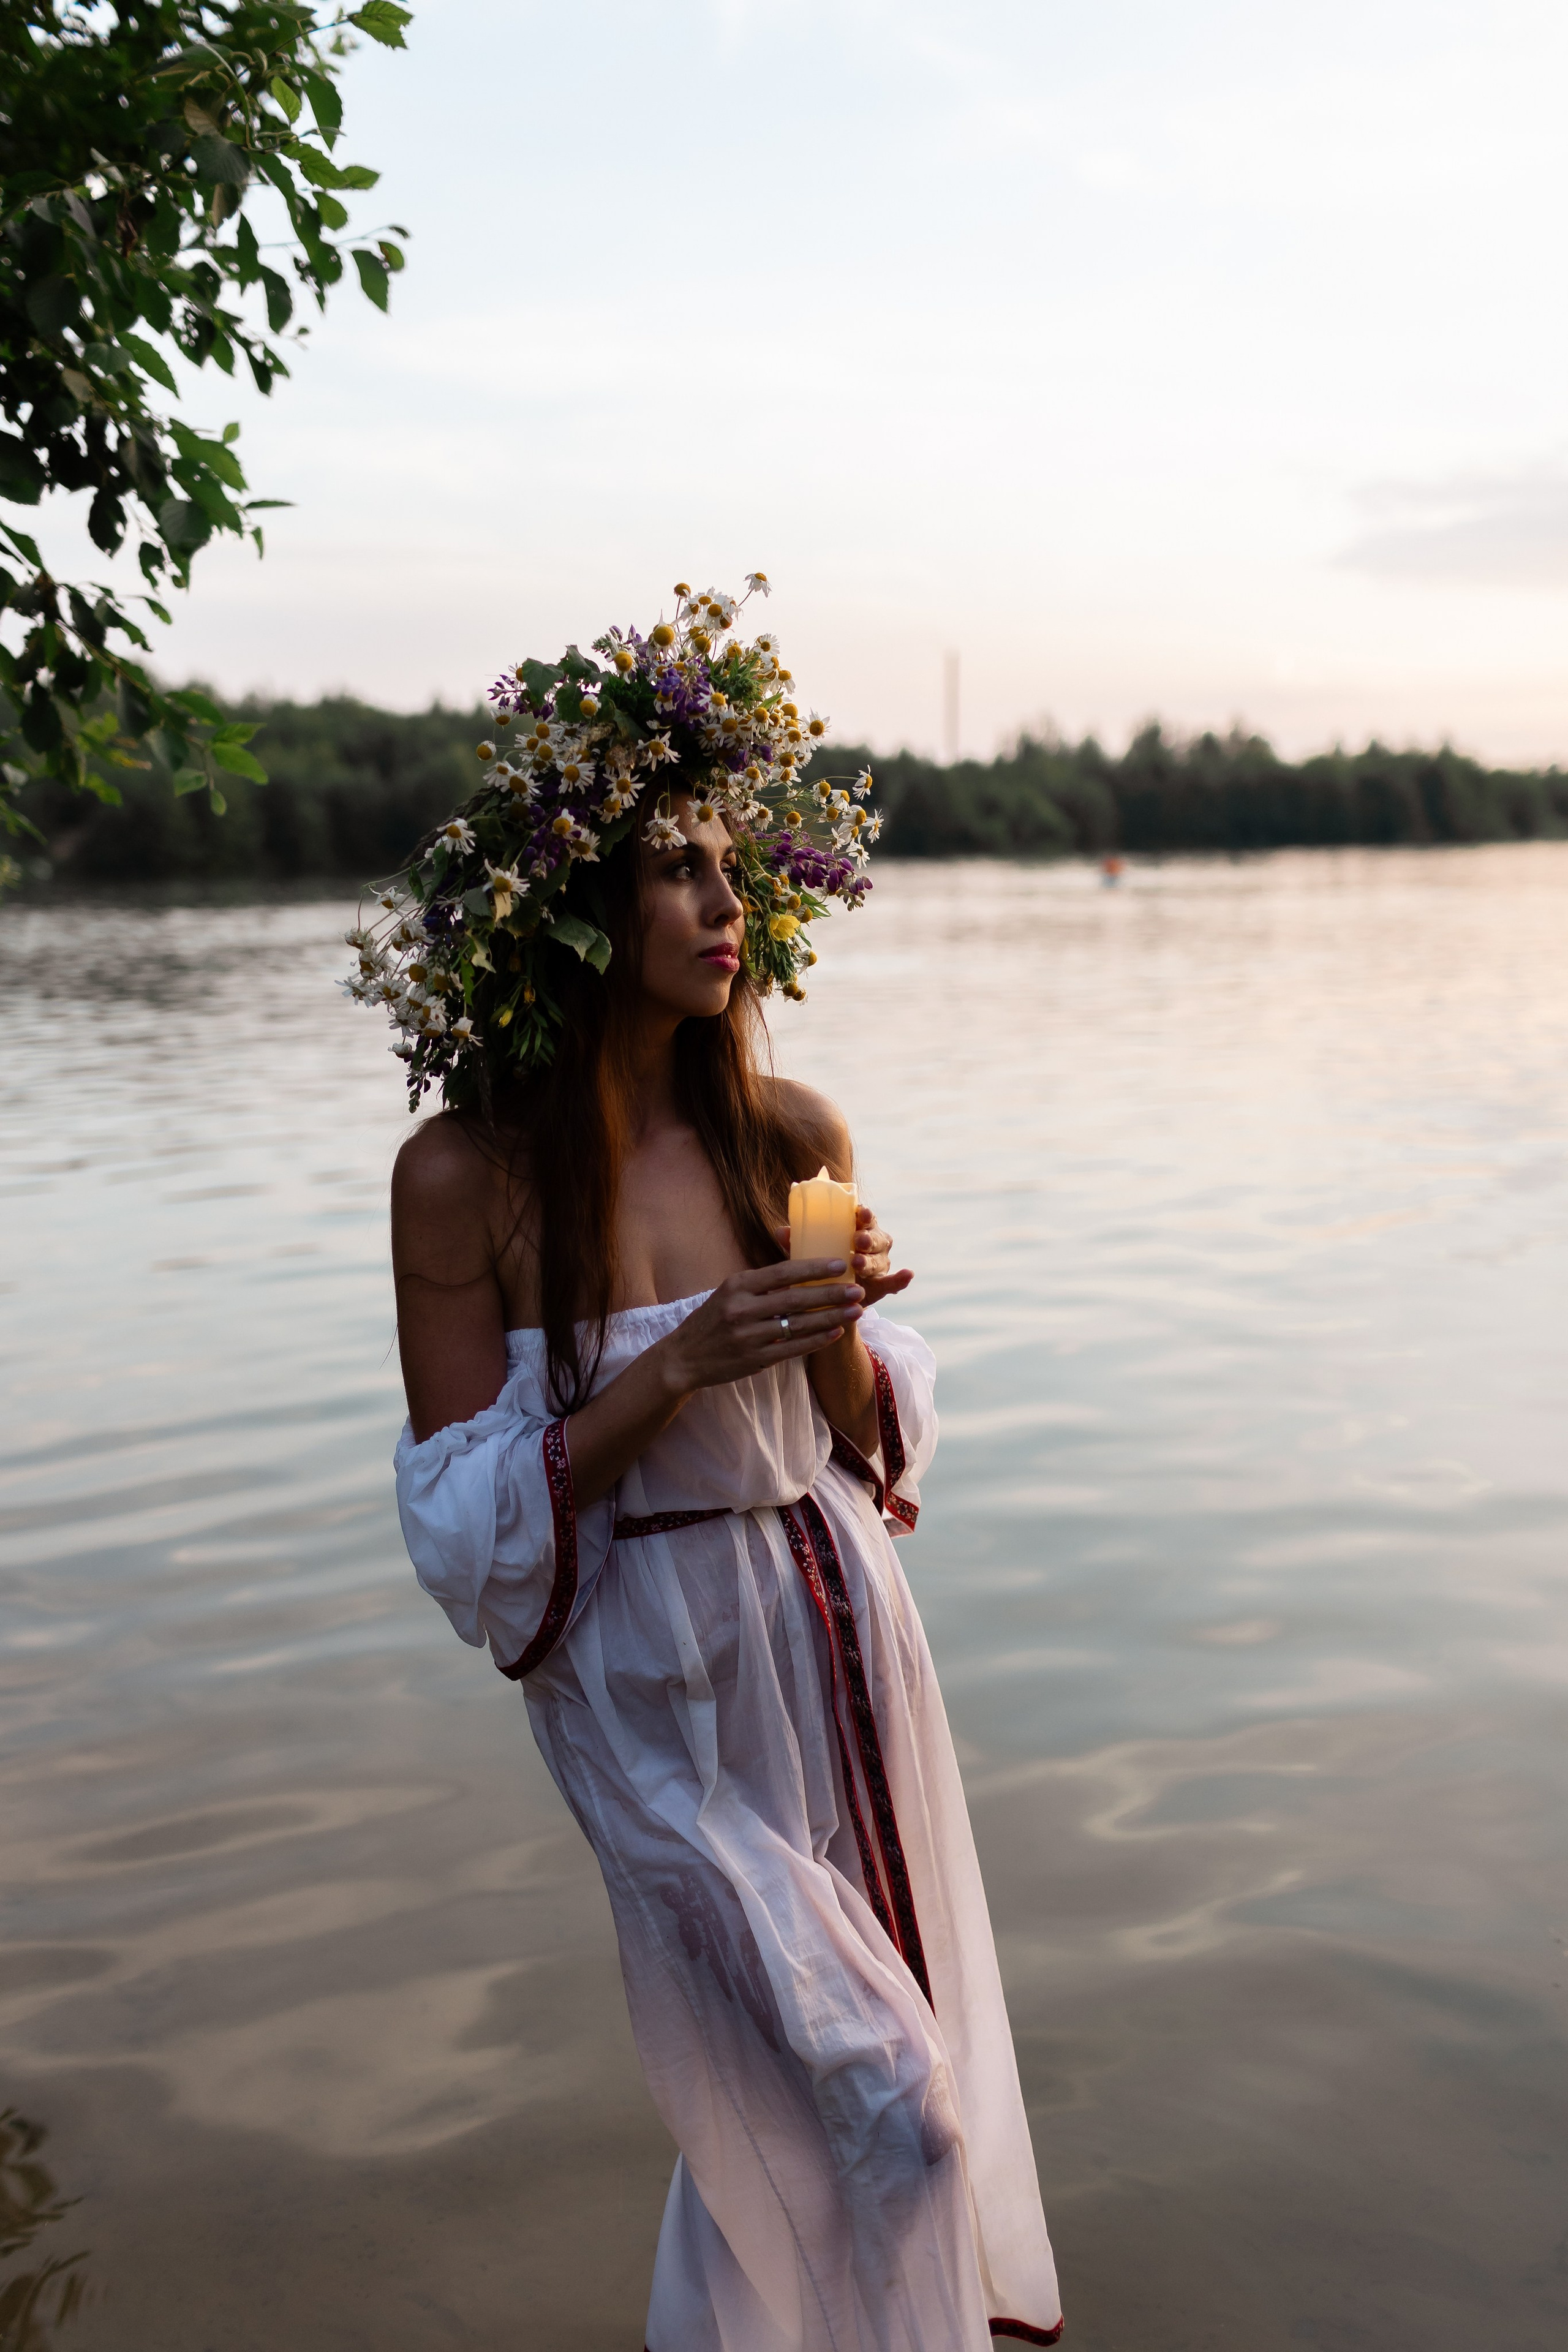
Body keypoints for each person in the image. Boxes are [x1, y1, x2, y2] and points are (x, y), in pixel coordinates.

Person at [358, 584, 1063, 2350]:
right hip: (650, 1668)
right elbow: (468, 1534)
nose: (730, 905)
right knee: (887, 2100)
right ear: (577, 903)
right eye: (680, 867)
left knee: (799, 2111)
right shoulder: (469, 1180)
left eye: (738, 866)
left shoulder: (790, 1135)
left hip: (835, 1621)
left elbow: (853, 1429)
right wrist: (682, 1361)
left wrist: (826, 1316)